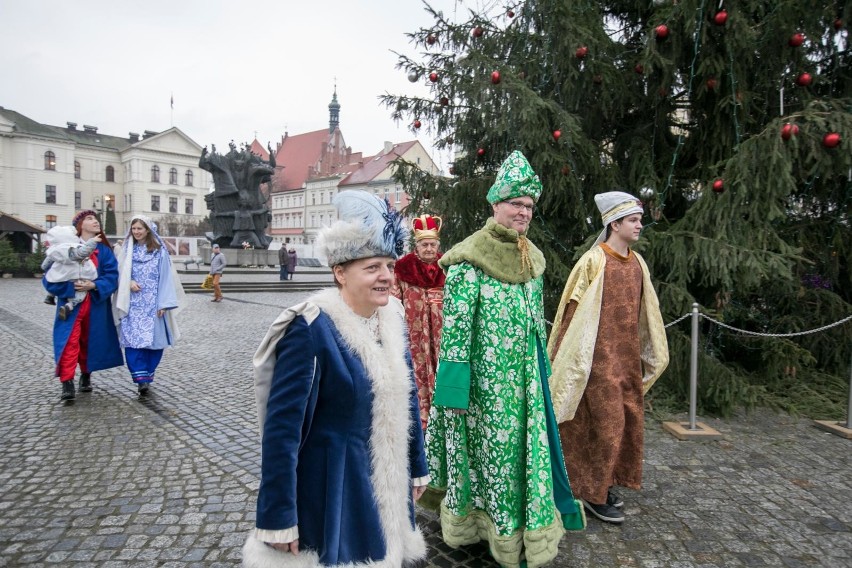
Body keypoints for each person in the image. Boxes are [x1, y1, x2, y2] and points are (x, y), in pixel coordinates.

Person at [243, 190, 429, 567]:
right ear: (340, 272)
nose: (386, 277)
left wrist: (417, 466)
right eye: (372, 267)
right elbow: (282, 429)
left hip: (388, 481)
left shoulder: (391, 318)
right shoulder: (311, 328)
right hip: (334, 488)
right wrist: (278, 515)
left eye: (389, 266)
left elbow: (406, 400)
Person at [425, 151, 584, 568]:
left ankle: (522, 531)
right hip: (484, 389)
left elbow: (536, 324)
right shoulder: (467, 261)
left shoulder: (532, 259)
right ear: (495, 204)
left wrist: (542, 375)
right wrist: (455, 393)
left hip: (526, 385)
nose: (523, 212)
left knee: (525, 458)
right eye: (516, 203)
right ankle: (486, 530)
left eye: (529, 206)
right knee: (491, 459)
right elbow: (455, 335)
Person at [547, 191, 669, 524]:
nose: (639, 225)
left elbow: (645, 312)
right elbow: (572, 310)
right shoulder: (593, 261)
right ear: (614, 223)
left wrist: (645, 355)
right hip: (596, 360)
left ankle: (601, 484)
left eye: (639, 219)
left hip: (625, 358)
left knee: (625, 420)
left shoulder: (638, 263)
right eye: (633, 220)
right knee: (604, 424)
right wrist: (565, 359)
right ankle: (591, 493)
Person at [43, 210, 124, 400]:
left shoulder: (104, 250)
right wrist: (70, 288)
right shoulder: (65, 248)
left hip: (95, 304)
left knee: (91, 341)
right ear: (79, 225)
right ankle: (67, 381)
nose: (95, 221)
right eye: (90, 219)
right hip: (70, 305)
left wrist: (95, 285)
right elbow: (49, 278)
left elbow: (112, 276)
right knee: (69, 342)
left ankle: (86, 375)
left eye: (96, 219)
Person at [114, 215, 185, 395]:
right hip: (132, 304)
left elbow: (166, 277)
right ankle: (140, 379)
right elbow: (119, 270)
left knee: (154, 343)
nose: (136, 232)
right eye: (134, 228)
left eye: (140, 228)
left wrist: (164, 302)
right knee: (132, 342)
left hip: (153, 303)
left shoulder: (159, 251)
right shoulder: (127, 250)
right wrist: (128, 281)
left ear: (148, 230)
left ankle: (148, 373)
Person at [391, 214, 445, 431]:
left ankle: (440, 415)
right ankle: (419, 417)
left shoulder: (447, 267)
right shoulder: (403, 268)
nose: (429, 248)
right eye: (424, 244)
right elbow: (394, 302)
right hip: (413, 337)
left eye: (432, 244)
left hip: (441, 337)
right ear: (417, 246)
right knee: (415, 372)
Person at [40, 225, 102, 320]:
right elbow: (81, 253)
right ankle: (69, 306)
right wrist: (92, 242)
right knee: (80, 293)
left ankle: (50, 295)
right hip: (73, 276)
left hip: (60, 276)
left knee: (53, 280)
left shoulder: (55, 249)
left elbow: (46, 263)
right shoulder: (71, 248)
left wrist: (44, 269)